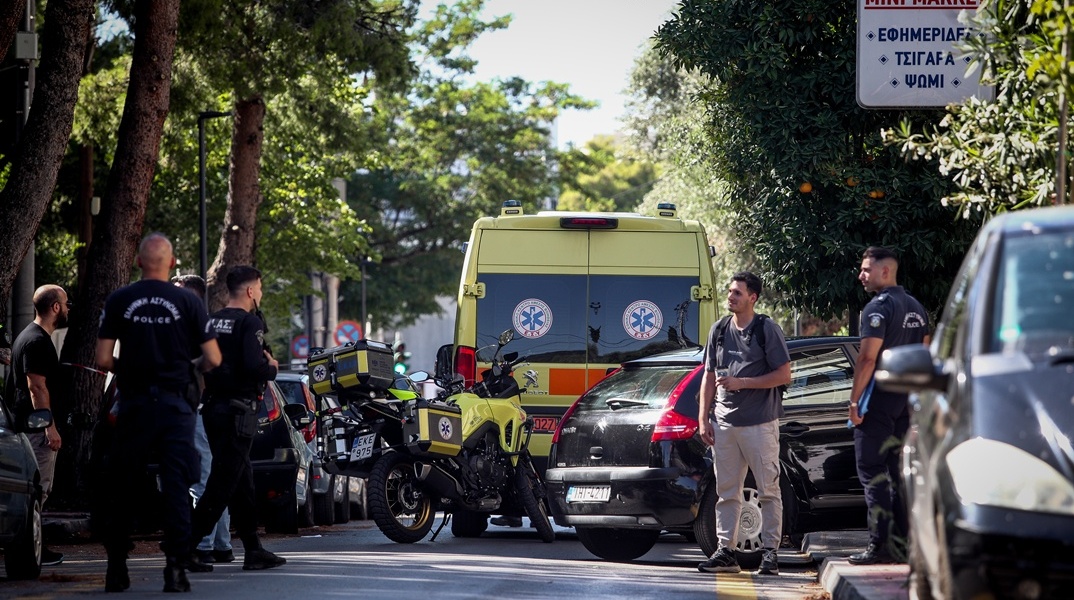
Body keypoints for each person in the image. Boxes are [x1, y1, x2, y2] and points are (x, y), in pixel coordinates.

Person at [96, 233, 222, 593]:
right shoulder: (188, 301)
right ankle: (176, 570)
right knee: (177, 485)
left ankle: (117, 569)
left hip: (133, 404)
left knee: (122, 485)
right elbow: (213, 358)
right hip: (176, 406)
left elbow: (103, 359)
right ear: (171, 263)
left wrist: (132, 369)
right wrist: (188, 367)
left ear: (138, 262)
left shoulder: (120, 299)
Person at [191, 265, 286, 571]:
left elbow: (202, 362)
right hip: (239, 412)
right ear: (249, 291)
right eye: (259, 288)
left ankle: (253, 549)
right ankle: (185, 543)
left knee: (242, 480)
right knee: (222, 483)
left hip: (214, 409)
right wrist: (272, 366)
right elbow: (253, 367)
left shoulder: (212, 320)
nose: (259, 293)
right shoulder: (249, 323)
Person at [697, 271, 791, 576]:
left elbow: (784, 375)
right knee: (727, 492)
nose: (731, 296)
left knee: (768, 490)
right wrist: (703, 418)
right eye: (729, 292)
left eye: (737, 292)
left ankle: (770, 553)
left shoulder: (767, 329)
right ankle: (726, 552)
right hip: (724, 424)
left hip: (759, 424)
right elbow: (708, 376)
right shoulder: (719, 330)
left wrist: (743, 382)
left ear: (753, 297)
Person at [847, 246, 930, 565]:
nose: (861, 275)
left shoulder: (877, 308)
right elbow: (925, 356)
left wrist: (854, 401)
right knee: (899, 473)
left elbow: (868, 358)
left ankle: (880, 544)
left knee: (872, 470)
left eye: (866, 270)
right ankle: (904, 545)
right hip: (907, 401)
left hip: (879, 399)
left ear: (885, 271)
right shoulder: (916, 307)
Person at [173, 274, 234, 565]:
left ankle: (205, 544)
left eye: (178, 293)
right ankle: (221, 544)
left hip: (197, 412)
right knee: (212, 479)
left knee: (201, 481)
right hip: (210, 411)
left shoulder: (196, 329)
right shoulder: (208, 327)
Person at [9, 285, 71, 567]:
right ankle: (33, 549)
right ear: (55, 307)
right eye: (66, 304)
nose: (68, 309)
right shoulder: (36, 341)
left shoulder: (30, 337)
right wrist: (49, 426)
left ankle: (34, 546)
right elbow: (36, 386)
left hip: (31, 428)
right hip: (36, 430)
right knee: (38, 490)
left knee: (37, 491)